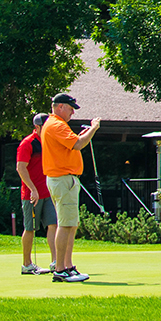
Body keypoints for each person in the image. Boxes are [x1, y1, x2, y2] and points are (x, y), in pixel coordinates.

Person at [41, 93, 100, 282]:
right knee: (65, 224)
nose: (73, 112)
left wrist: (82, 135)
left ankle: (68, 266)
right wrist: (93, 129)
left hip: (66, 179)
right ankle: (60, 269)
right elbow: (78, 144)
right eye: (70, 108)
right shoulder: (56, 124)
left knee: (71, 224)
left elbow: (71, 142)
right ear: (60, 107)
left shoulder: (57, 125)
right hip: (62, 179)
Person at [16, 113, 59, 274]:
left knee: (53, 224)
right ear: (37, 127)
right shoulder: (28, 143)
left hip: (48, 192)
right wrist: (33, 189)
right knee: (30, 229)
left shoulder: (49, 142)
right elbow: (21, 168)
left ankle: (56, 262)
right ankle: (27, 264)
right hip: (31, 195)